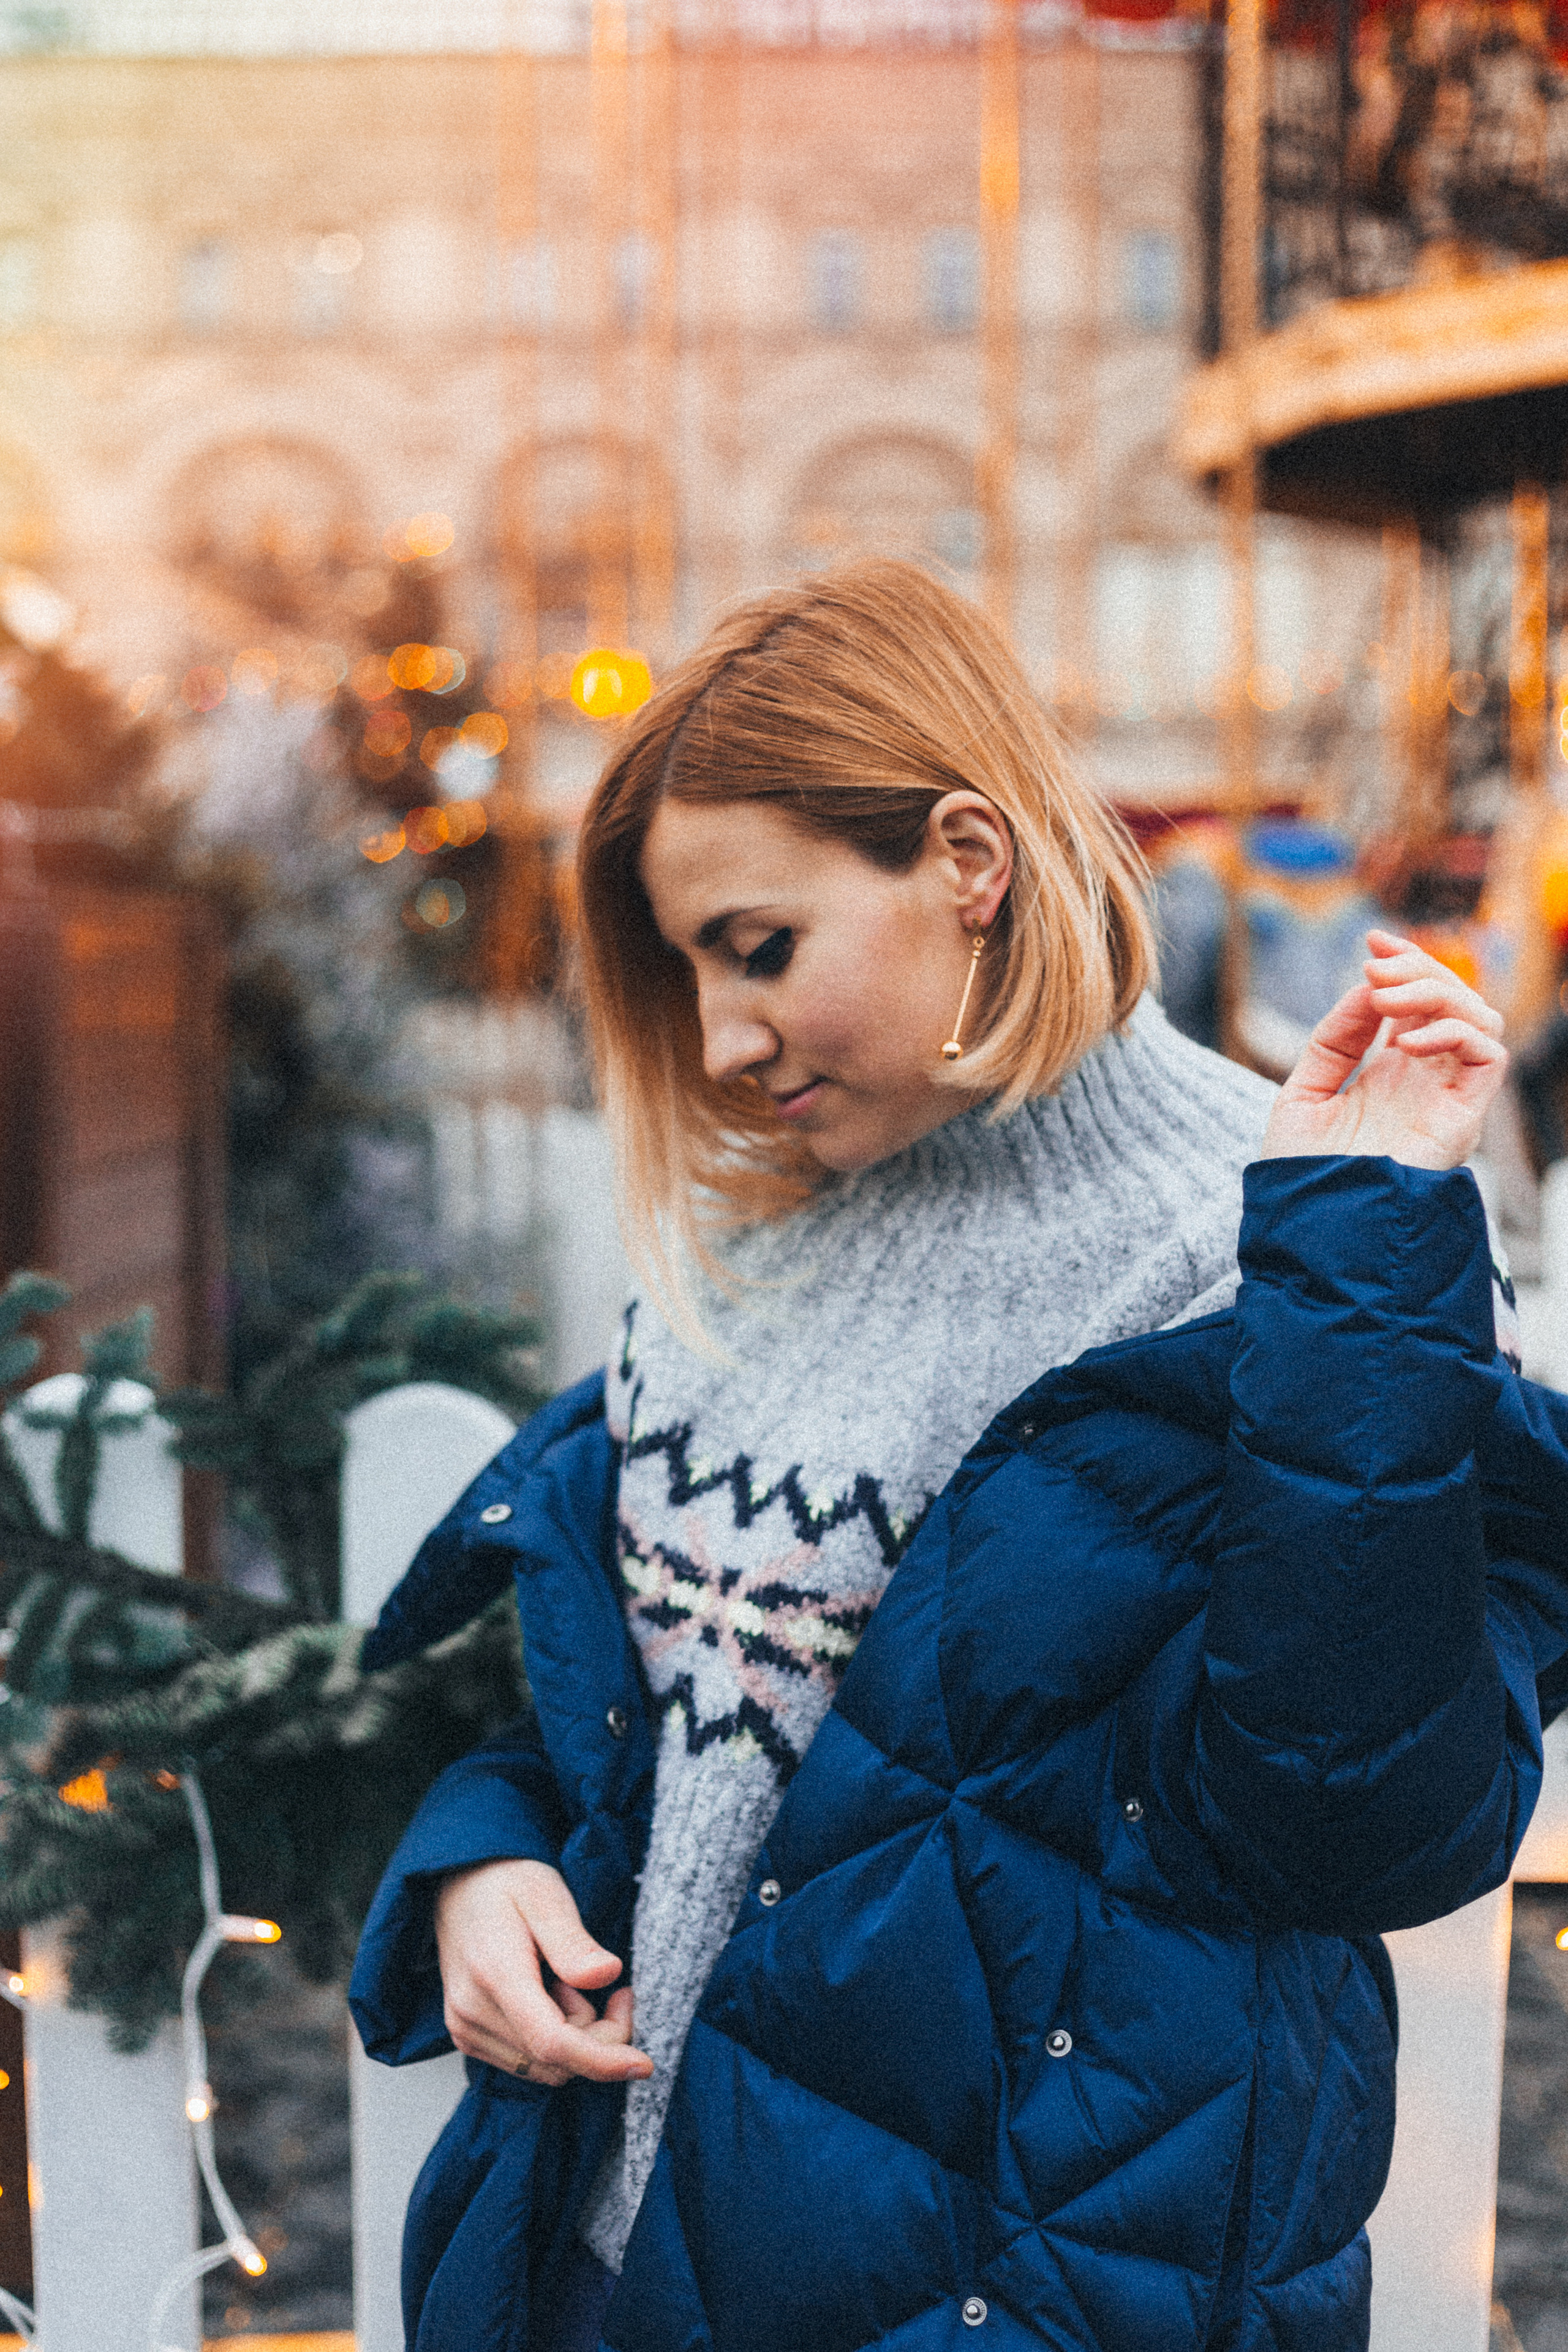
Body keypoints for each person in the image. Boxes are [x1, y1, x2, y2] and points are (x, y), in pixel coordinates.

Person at [349, 560, 1568, 2352]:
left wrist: (1363, 1255)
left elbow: (1360, 1820)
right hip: (602, 2268)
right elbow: (585, 1699)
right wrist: (483, 1858)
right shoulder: (751, 1232)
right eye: (687, 971)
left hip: (1019, 2296)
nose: (718, 1038)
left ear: (968, 862)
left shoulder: (1274, 1240)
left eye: (759, 949)